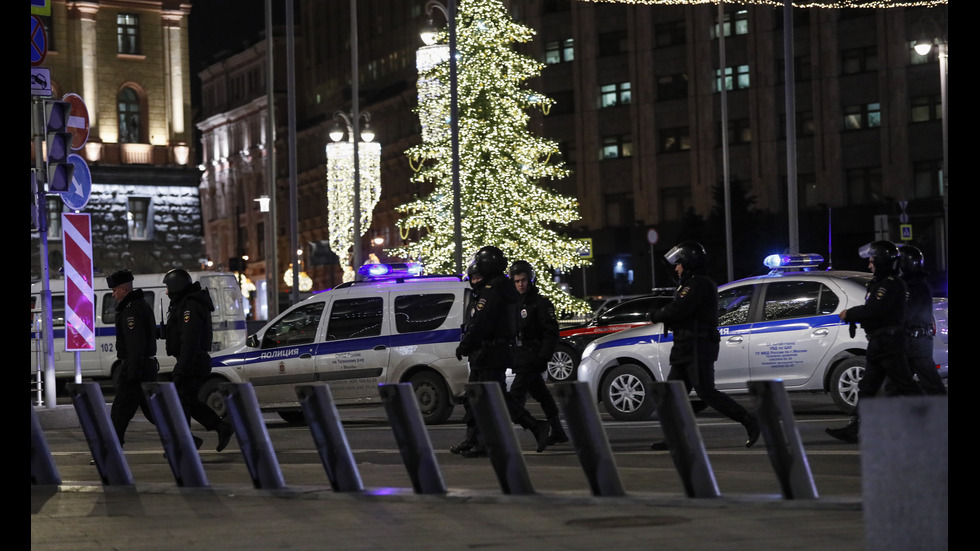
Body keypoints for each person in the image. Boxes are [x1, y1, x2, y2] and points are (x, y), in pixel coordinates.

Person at [648, 241, 759, 450]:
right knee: (673, 394)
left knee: (706, 392)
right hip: (685, 346)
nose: (676, 268)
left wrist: (656, 315)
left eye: (679, 264)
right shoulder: (690, 282)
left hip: (698, 346)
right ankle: (675, 438)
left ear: (688, 262)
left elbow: (679, 309)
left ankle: (749, 420)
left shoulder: (698, 284)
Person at [451, 246, 550, 458]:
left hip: (491, 352)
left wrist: (466, 345)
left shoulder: (494, 288)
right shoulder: (496, 286)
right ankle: (475, 439)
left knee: (496, 399)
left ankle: (534, 426)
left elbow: (483, 322)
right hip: (487, 352)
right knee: (474, 397)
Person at [826, 241, 922, 443]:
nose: (869, 265)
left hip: (890, 343)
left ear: (881, 261)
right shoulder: (879, 283)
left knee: (905, 385)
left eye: (872, 261)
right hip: (879, 343)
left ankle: (934, 418)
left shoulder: (890, 284)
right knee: (867, 388)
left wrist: (850, 314)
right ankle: (856, 428)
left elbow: (875, 310)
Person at [163, 268, 234, 452]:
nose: (167, 292)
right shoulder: (186, 304)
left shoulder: (190, 306)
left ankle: (186, 443)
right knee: (187, 401)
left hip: (192, 361)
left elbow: (190, 339)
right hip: (192, 360)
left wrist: (182, 368)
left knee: (181, 401)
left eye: (168, 287)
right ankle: (220, 428)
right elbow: (179, 332)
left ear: (177, 287)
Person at [508, 260, 568, 446]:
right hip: (521, 357)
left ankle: (535, 427)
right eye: (517, 280)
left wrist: (543, 357)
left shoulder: (540, 303)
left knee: (514, 398)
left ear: (530, 279)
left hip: (532, 357)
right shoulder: (514, 303)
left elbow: (551, 333)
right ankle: (557, 430)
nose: (520, 284)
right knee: (541, 394)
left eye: (523, 280)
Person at [106, 269, 158, 447]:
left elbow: (135, 344)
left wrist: (130, 374)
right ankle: (187, 441)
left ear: (123, 289)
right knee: (154, 413)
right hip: (143, 368)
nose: (113, 295)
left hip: (136, 369)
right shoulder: (138, 305)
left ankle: (111, 451)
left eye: (114, 291)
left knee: (119, 411)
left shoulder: (131, 310)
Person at [896, 245, 946, 395]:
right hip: (913, 341)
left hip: (917, 342)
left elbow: (907, 313)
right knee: (896, 383)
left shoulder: (914, 286)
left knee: (930, 383)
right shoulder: (912, 284)